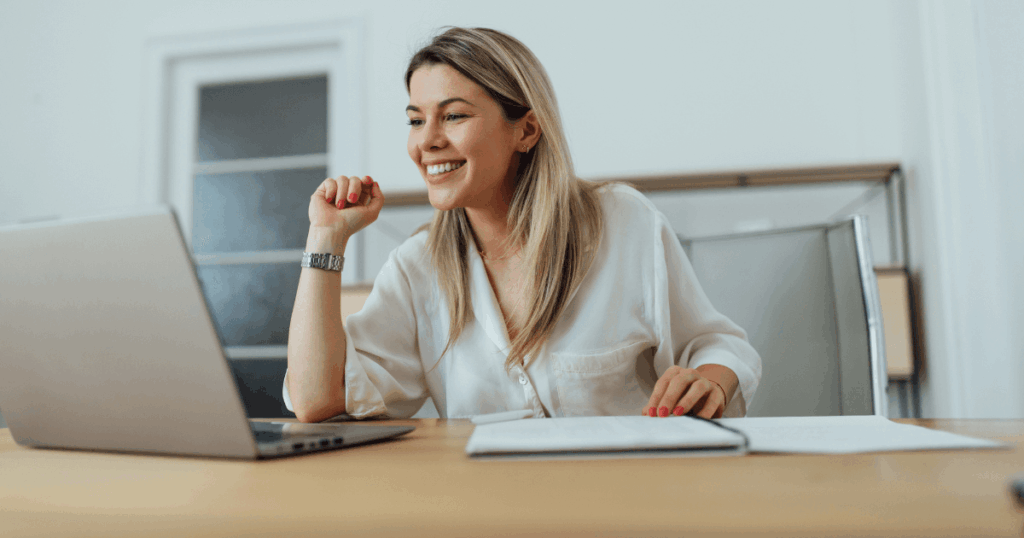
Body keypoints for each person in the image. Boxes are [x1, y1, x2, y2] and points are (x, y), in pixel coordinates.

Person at [284, 27, 761, 423]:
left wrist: (710, 380)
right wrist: (326, 238)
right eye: (415, 120)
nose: (426, 141)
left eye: (453, 116)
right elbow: (316, 400)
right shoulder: (418, 268)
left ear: (526, 131)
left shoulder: (623, 222)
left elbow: (716, 344)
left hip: (626, 492)